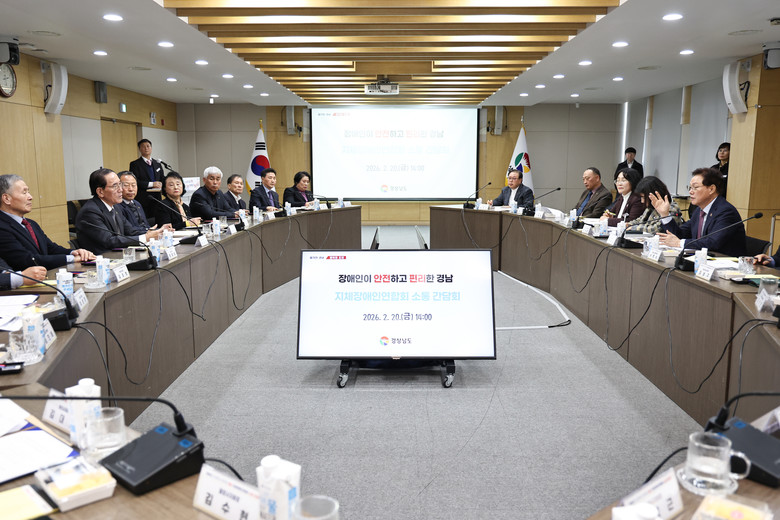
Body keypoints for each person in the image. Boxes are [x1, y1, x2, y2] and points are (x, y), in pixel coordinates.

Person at [0, 174, 95, 270]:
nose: (30, 197)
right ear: (6, 199)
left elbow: (51, 248)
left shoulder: (31, 223)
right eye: (24, 193)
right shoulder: (2, 227)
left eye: (28, 192)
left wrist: (74, 253)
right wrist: (72, 259)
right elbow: (26, 260)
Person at [651, 167, 746, 257]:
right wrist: (665, 215)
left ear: (711, 189)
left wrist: (679, 243)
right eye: (690, 188)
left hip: (725, 263)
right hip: (702, 261)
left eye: (695, 187)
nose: (690, 192)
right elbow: (680, 235)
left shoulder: (726, 211)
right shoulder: (698, 211)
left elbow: (713, 242)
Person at [75, 168, 168, 254]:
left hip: (119, 255)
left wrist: (155, 232)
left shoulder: (115, 207)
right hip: (101, 260)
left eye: (120, 184)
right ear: (100, 192)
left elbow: (131, 231)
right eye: (115, 186)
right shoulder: (90, 212)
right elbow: (109, 241)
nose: (120, 189)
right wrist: (145, 238)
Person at [128, 139, 165, 214]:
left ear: (151, 148)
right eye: (143, 146)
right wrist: (152, 184)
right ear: (139, 149)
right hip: (143, 198)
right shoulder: (135, 164)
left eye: (148, 146)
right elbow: (135, 181)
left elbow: (162, 178)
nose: (146, 148)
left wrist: (162, 183)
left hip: (157, 198)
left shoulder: (157, 163)